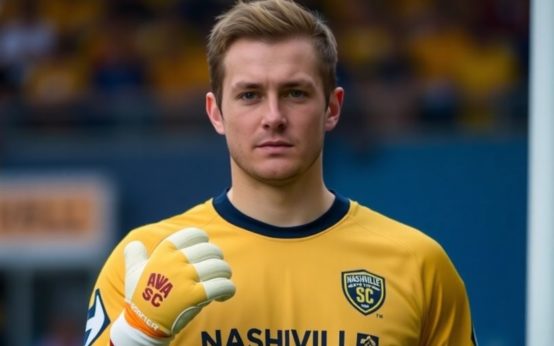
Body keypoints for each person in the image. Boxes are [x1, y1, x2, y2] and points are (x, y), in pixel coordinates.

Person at [83, 0, 477, 345]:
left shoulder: (419, 264)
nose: (273, 117)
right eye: (250, 95)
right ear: (215, 112)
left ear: (333, 108)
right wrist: (136, 334)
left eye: (295, 93)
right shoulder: (147, 260)